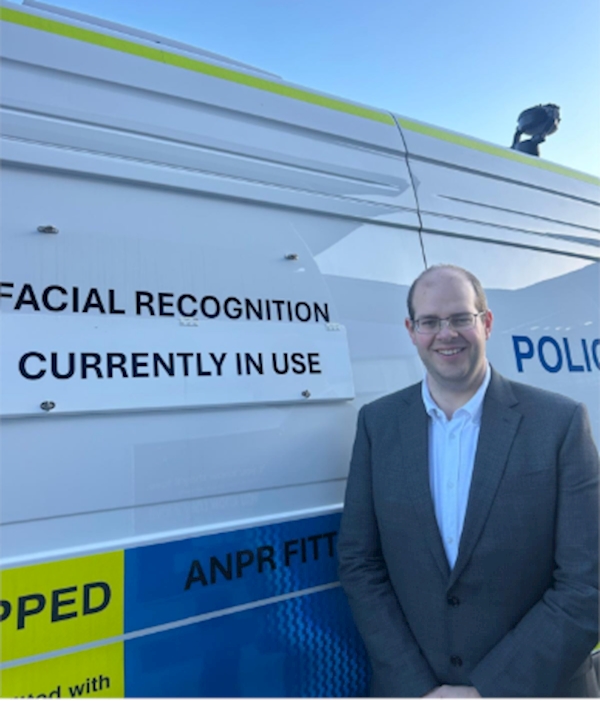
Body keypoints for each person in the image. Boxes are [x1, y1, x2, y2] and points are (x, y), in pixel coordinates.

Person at [337, 264, 599, 698]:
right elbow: (359, 563)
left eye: (461, 318)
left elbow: (586, 583)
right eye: (430, 321)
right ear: (411, 330)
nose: (446, 334)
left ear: (487, 322)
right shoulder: (377, 426)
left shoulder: (560, 423)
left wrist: (487, 692)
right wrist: (418, 687)